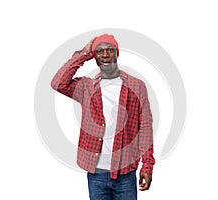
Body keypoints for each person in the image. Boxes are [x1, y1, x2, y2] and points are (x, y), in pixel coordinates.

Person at [51, 34, 155, 200]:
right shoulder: (86, 87)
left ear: (117, 53)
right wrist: (84, 53)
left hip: (125, 173)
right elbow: (58, 83)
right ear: (95, 57)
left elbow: (145, 127)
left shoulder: (136, 86)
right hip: (96, 173)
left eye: (110, 50)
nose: (105, 55)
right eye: (99, 51)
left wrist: (147, 165)